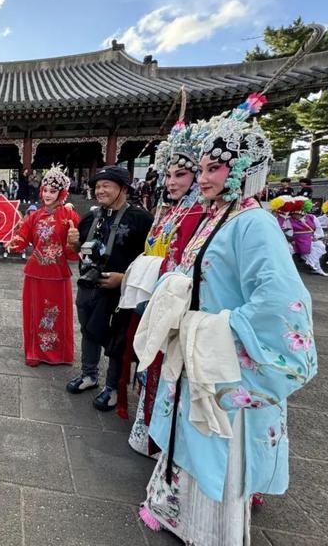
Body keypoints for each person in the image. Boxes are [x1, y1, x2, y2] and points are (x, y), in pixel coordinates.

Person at [135, 93, 317, 545]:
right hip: (198, 354)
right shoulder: (218, 218)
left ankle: (213, 531)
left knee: (217, 443)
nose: (204, 177)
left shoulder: (254, 224)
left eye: (214, 167)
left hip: (220, 357)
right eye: (203, 168)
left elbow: (280, 303)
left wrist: (207, 329)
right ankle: (180, 516)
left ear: (245, 168)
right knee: (192, 438)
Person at [124, 122, 206, 456]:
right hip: (156, 295)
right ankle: (151, 434)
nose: (171, 182)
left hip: (181, 304)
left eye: (181, 175)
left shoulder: (200, 213)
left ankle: (168, 443)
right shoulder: (170, 210)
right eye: (169, 174)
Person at [65, 166, 152, 412]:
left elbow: (151, 259)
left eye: (107, 186)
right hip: (89, 286)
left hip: (122, 291)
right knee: (88, 331)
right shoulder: (91, 217)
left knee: (117, 339)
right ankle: (89, 374)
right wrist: (74, 244)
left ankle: (113, 386)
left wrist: (123, 278)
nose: (100, 190)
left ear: (123, 189)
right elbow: (82, 250)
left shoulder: (141, 219)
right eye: (98, 186)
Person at [7, 166, 80, 367]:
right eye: (45, 190)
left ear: (61, 193)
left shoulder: (69, 216)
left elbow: (73, 251)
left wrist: (74, 243)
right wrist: (14, 242)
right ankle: (35, 352)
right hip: (35, 273)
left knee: (57, 313)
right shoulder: (34, 216)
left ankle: (60, 354)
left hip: (58, 273)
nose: (47, 195)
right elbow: (22, 238)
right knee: (35, 312)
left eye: (52, 191)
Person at [289, 196, 327, 276]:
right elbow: (287, 232)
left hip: (310, 238)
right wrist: (290, 239)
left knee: (320, 246)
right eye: (294, 214)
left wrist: (317, 237)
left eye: (298, 214)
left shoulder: (311, 217)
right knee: (292, 250)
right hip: (296, 240)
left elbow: (318, 228)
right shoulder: (288, 220)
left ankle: (312, 264)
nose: (296, 216)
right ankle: (316, 268)